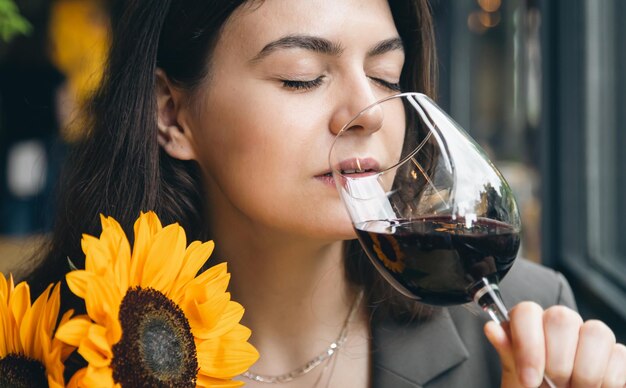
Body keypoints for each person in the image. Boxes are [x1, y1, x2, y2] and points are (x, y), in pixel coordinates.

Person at [26, 0, 625, 387]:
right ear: (171, 115)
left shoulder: (530, 319)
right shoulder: (58, 349)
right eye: (302, 77)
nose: (367, 111)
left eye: (387, 78)